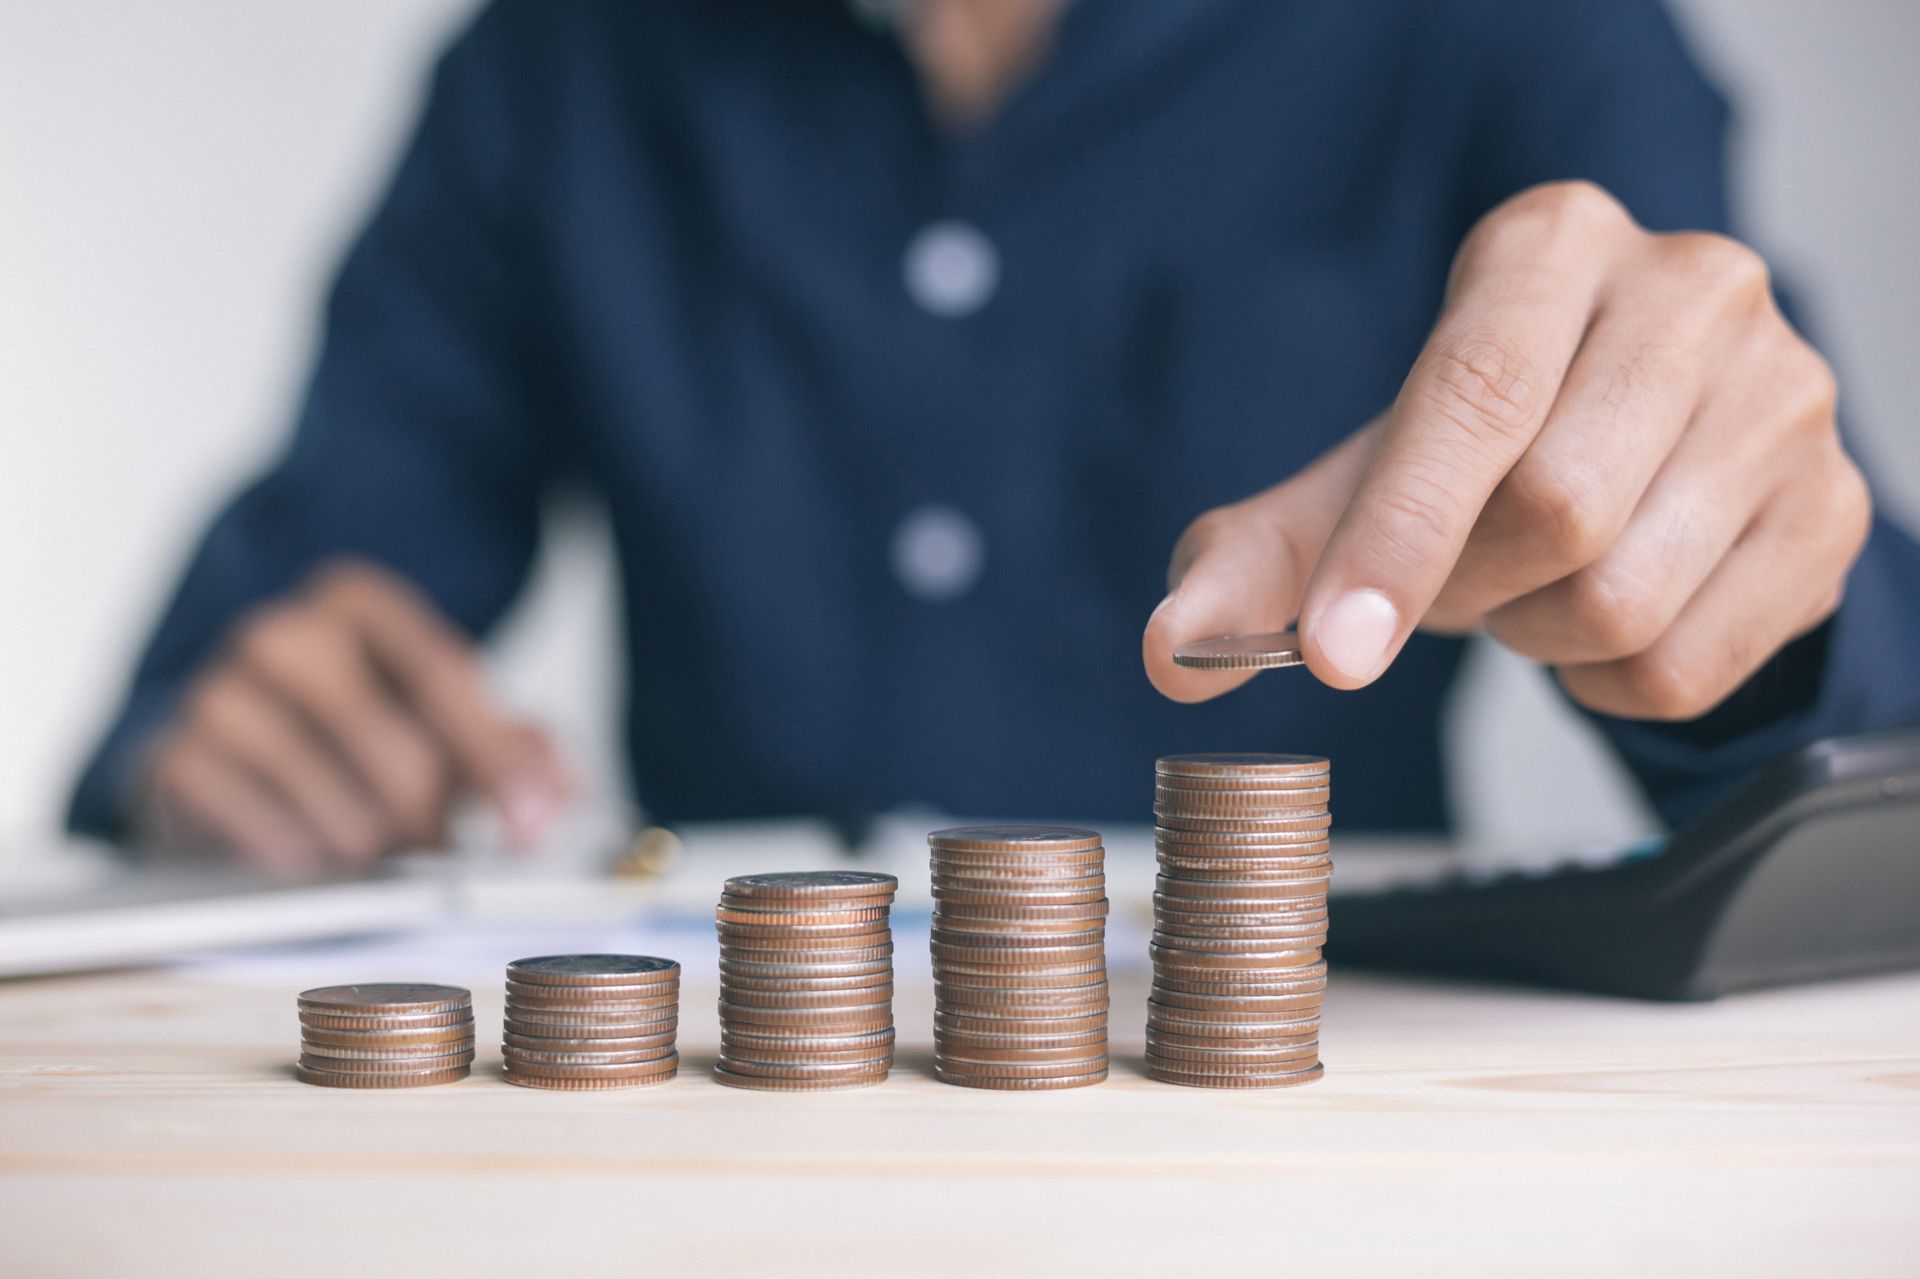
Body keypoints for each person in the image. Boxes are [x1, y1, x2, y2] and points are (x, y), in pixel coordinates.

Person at [69, 0, 1920, 871]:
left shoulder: (1517, 35)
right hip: (712, 1184)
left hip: (1308, 1178)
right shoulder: (548, 72)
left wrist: (1759, 600)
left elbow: (1870, 767)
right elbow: (277, 637)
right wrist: (217, 760)